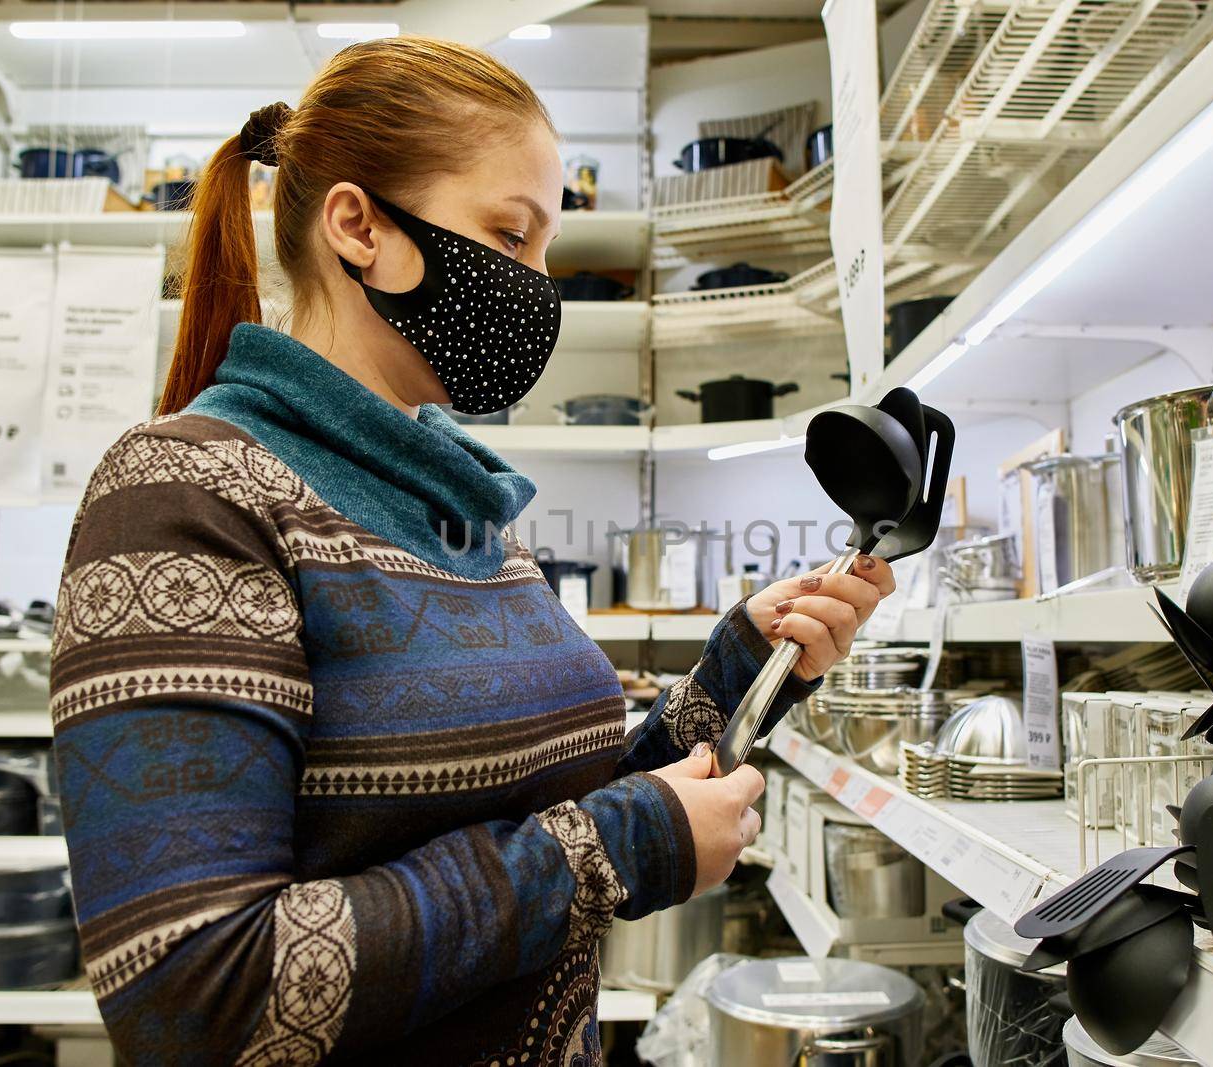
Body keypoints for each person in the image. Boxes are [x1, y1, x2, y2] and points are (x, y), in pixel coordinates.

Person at [50, 35, 893, 1066]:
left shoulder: (462, 505)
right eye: (511, 232)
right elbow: (195, 997)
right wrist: (630, 844)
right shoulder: (184, 491)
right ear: (358, 225)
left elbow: (556, 809)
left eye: (546, 247)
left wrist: (744, 664)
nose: (537, 284)